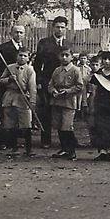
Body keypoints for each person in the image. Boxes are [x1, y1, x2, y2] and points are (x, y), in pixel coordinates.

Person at [33, 16, 69, 148]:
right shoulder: (44, 43)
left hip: (65, 82)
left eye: (62, 27)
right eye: (57, 27)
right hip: (48, 80)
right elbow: (37, 64)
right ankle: (46, 140)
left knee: (63, 110)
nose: (60, 29)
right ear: (53, 27)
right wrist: (39, 81)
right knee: (46, 110)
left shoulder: (68, 44)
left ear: (66, 28)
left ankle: (64, 141)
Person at [0, 24, 27, 149]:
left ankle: (13, 142)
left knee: (17, 114)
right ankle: (1, 142)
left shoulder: (24, 49)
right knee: (4, 114)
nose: (19, 35)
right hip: (6, 86)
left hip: (20, 87)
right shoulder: (3, 48)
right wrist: (5, 79)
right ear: (11, 33)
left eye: (21, 32)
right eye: (16, 32)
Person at [0, 48, 37, 156]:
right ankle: (14, 148)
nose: (22, 57)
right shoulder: (9, 67)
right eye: (20, 55)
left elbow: (32, 87)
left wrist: (32, 101)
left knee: (26, 124)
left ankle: (29, 149)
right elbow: (1, 80)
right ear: (16, 56)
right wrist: (9, 79)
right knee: (11, 124)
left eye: (25, 56)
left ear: (28, 57)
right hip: (10, 96)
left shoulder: (30, 70)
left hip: (23, 97)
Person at [48, 48, 85, 160]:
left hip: (68, 101)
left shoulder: (75, 70)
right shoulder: (57, 70)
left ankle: (71, 151)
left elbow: (80, 86)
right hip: (57, 101)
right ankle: (64, 149)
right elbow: (50, 84)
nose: (64, 57)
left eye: (66, 55)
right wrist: (53, 91)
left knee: (67, 126)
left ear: (71, 57)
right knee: (59, 126)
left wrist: (67, 91)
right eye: (62, 55)